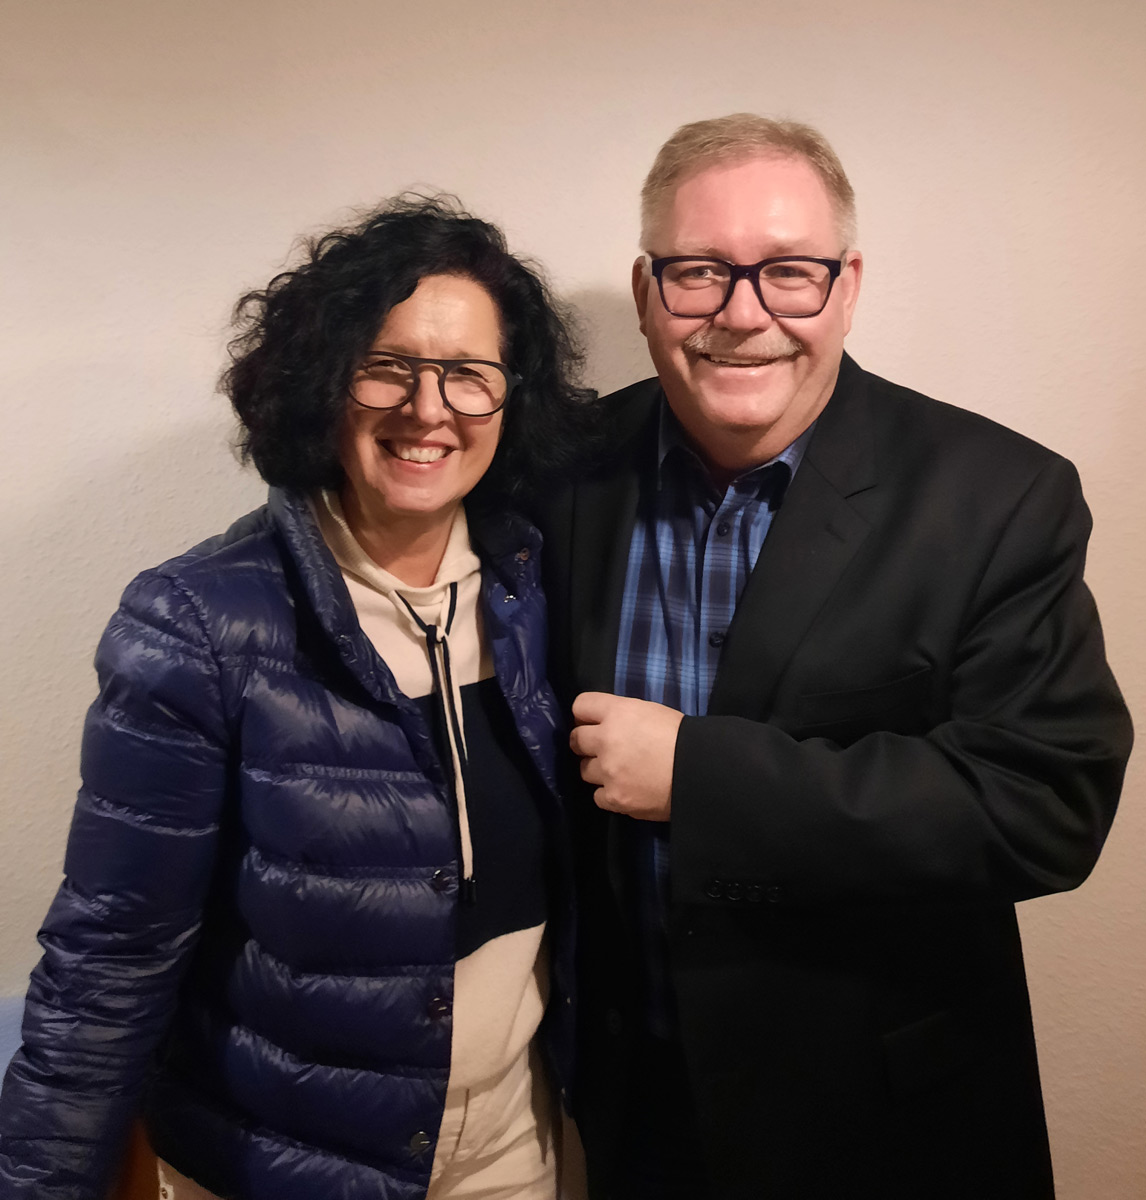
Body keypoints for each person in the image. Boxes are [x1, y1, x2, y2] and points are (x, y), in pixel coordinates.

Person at [534, 114, 1133, 1200]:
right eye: (700, 272)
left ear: (848, 284)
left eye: (789, 273)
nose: (742, 315)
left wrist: (701, 780)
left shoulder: (998, 496)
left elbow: (1046, 806)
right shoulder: (561, 471)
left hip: (888, 1127)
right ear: (644, 290)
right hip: (635, 1110)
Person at [0, 196, 594, 1200]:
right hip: (278, 1168)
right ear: (324, 380)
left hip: (506, 1158)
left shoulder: (536, 583)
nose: (428, 408)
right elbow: (112, 953)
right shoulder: (196, 622)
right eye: (389, 367)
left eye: (467, 375)